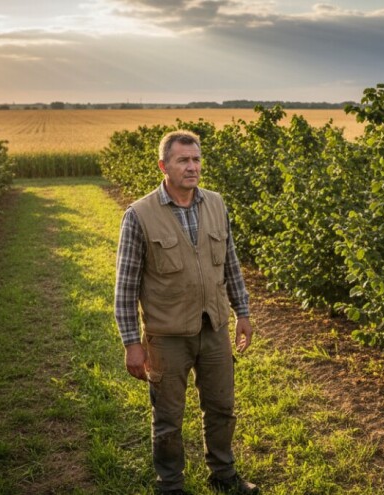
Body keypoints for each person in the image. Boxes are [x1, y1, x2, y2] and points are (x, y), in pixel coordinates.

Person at [114, 130, 259, 495]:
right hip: (166, 336)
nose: (192, 167)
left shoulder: (216, 203)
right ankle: (170, 484)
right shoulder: (140, 215)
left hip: (214, 327)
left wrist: (242, 312)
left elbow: (231, 264)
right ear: (164, 166)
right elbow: (125, 288)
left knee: (222, 407)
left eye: (196, 159)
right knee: (167, 419)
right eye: (183, 160)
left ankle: (223, 474)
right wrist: (132, 343)